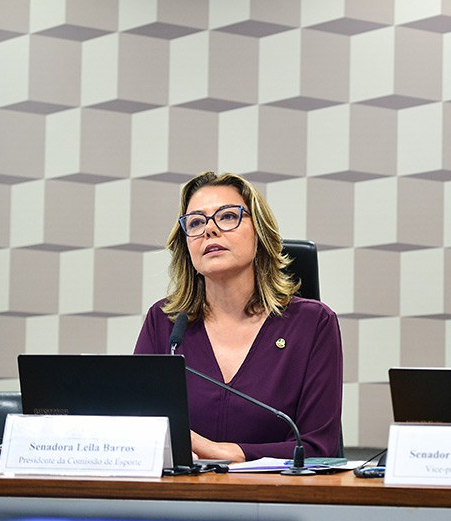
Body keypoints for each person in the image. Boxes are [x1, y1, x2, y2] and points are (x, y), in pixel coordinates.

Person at [135, 171, 343, 462]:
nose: (209, 231)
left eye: (228, 216)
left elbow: (318, 447)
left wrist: (225, 452)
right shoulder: (165, 323)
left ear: (259, 231)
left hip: (278, 501)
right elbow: (138, 431)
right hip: (179, 501)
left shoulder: (313, 324)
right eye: (195, 222)